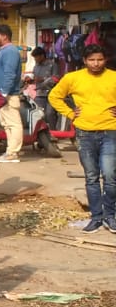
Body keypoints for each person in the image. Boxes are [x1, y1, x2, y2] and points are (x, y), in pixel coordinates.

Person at [48, 44, 116, 234]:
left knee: (110, 176)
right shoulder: (72, 78)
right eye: (92, 60)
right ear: (85, 61)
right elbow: (55, 97)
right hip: (85, 133)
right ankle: (96, 217)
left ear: (106, 60)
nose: (96, 63)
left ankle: (110, 216)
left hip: (111, 132)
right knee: (91, 177)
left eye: (100, 59)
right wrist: (70, 114)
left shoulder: (113, 76)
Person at [0, 24, 24, 161]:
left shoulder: (10, 51)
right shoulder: (2, 51)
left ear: (4, 36)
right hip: (1, 95)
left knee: (13, 124)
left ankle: (13, 153)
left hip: (7, 95)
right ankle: (10, 152)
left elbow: (10, 74)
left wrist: (3, 93)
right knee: (7, 124)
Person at [27, 47, 61, 129]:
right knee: (39, 113)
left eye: (36, 57)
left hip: (51, 93)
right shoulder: (36, 67)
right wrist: (30, 80)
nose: (35, 59)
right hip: (39, 93)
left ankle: (53, 132)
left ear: (42, 56)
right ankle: (41, 133)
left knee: (50, 114)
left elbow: (56, 78)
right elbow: (35, 79)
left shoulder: (53, 65)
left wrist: (43, 79)